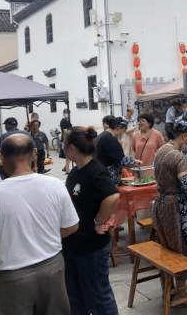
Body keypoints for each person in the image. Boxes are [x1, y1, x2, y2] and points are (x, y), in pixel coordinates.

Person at [0, 132, 79, 315]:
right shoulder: (56, 185)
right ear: (33, 155)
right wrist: (47, 235)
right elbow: (72, 226)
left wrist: (2, 245)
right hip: (52, 269)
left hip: (13, 277)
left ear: (0, 158)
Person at [63, 127, 120, 315]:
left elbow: (112, 197)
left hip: (92, 246)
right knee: (75, 295)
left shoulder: (95, 171)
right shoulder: (75, 172)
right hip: (74, 244)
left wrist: (98, 220)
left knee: (99, 296)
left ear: (72, 148)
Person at [152, 119, 187, 306]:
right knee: (181, 246)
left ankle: (169, 287)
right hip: (175, 205)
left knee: (167, 246)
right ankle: (181, 291)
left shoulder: (161, 151)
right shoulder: (177, 156)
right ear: (184, 136)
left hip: (160, 203)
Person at [95, 115, 138, 185]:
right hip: (108, 177)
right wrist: (133, 161)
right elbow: (120, 160)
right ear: (118, 128)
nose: (122, 133)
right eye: (123, 130)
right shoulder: (109, 139)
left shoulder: (101, 136)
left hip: (100, 175)